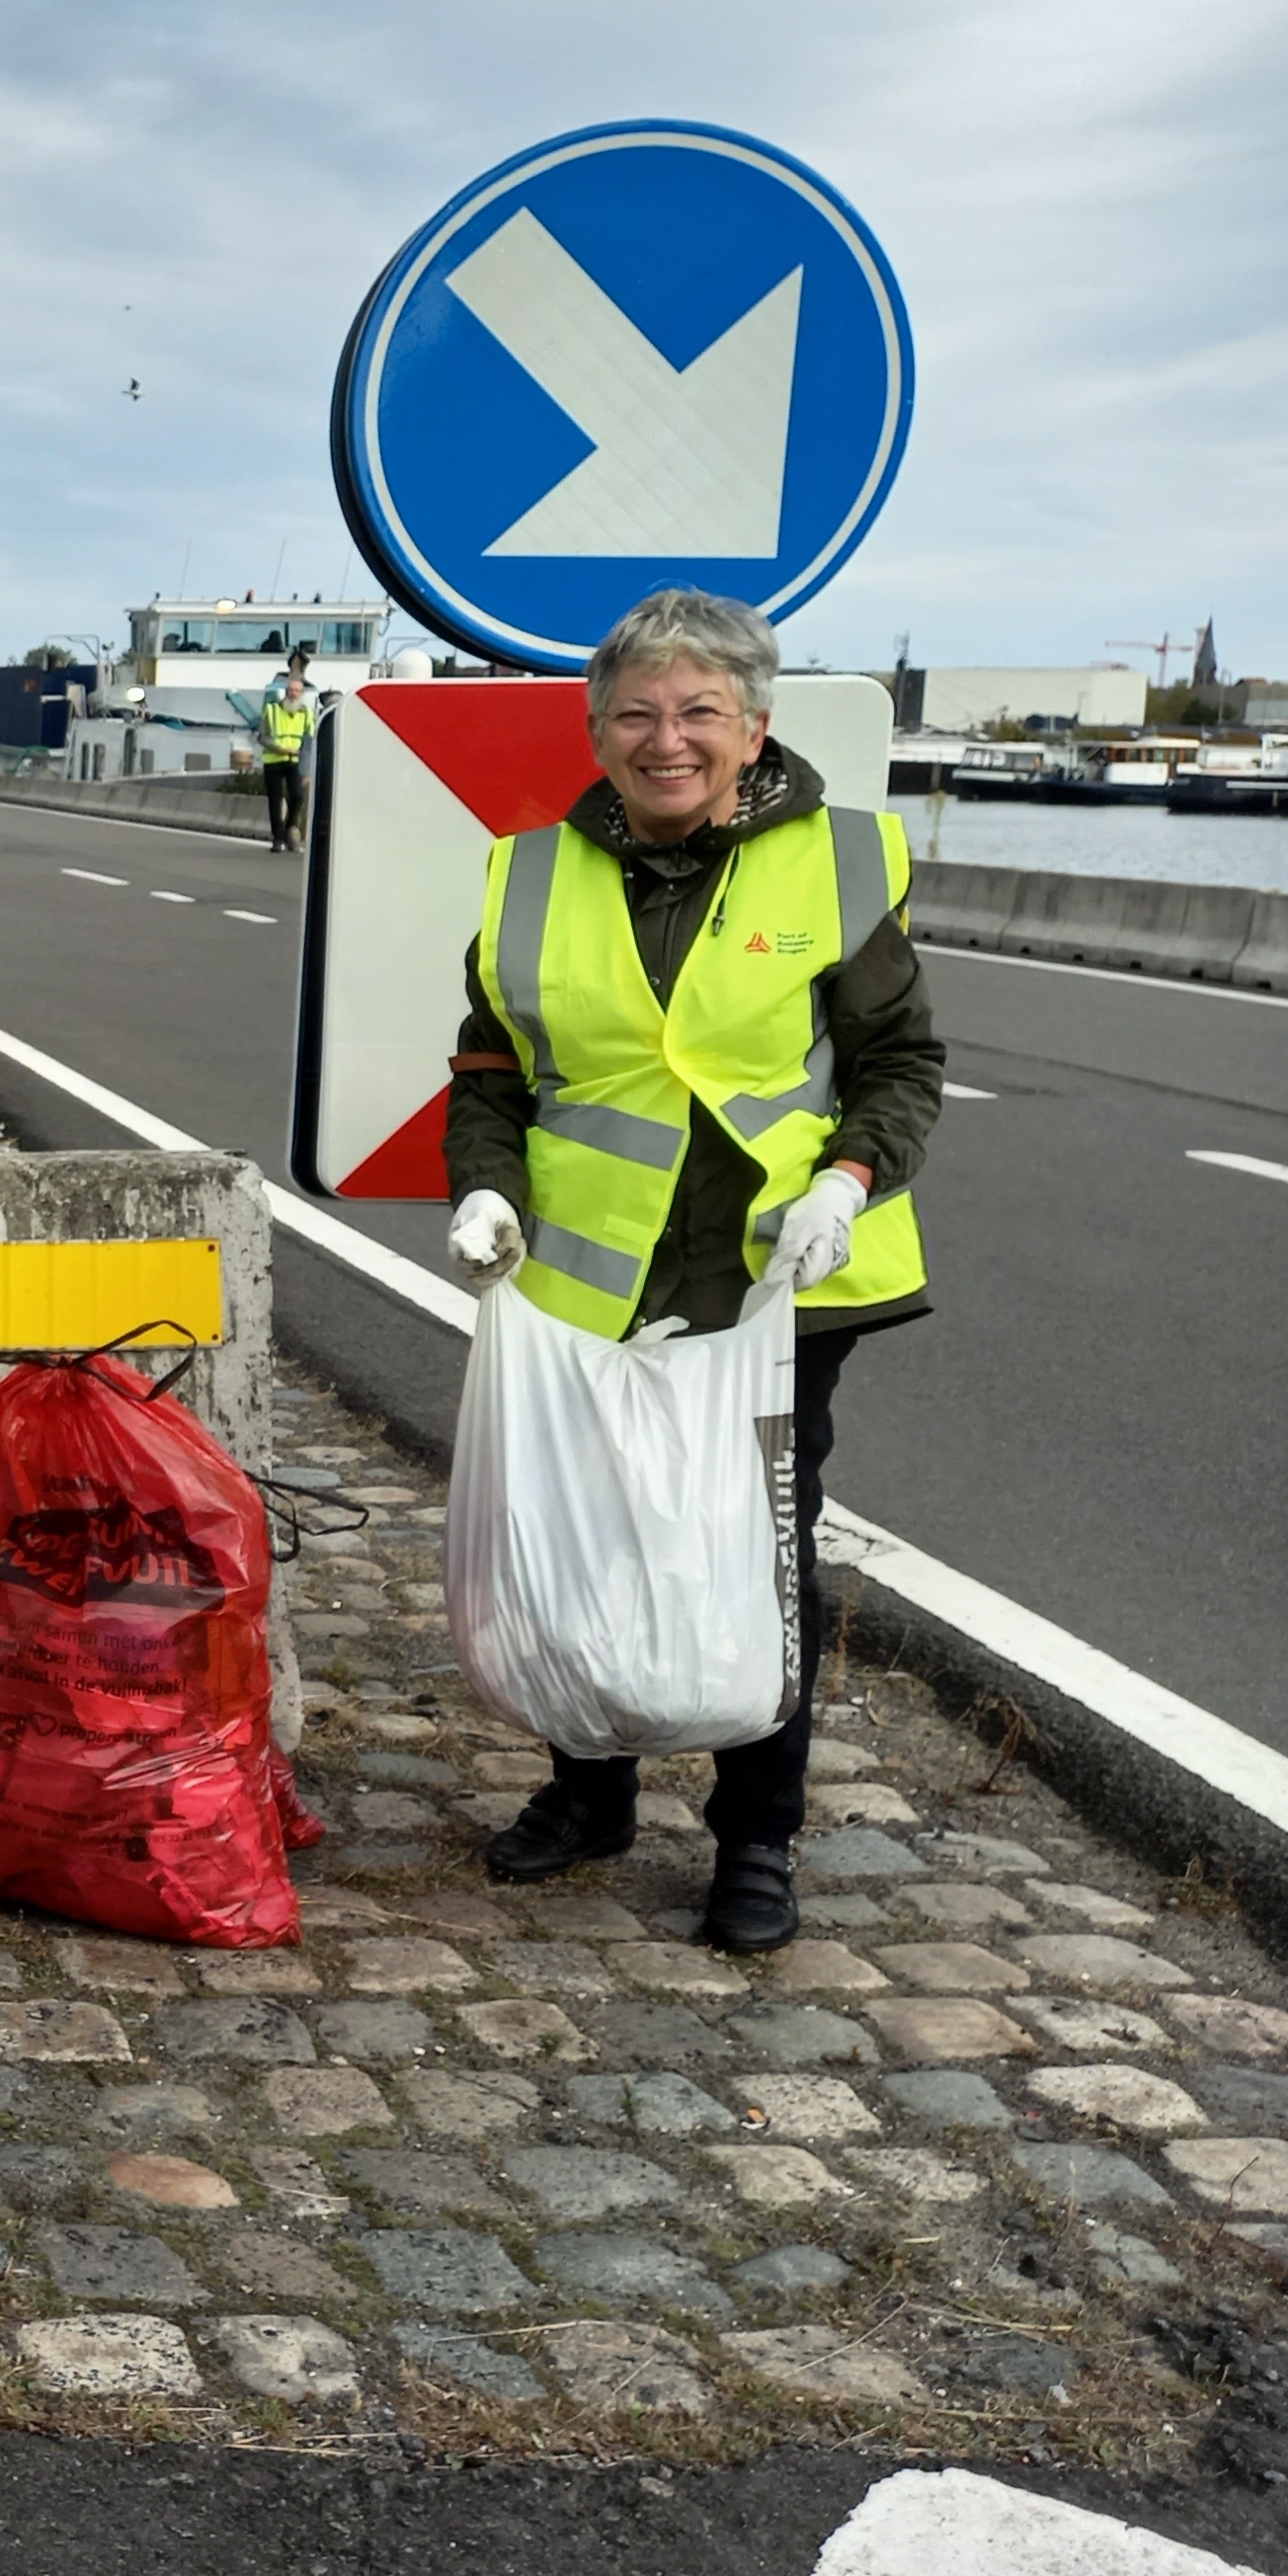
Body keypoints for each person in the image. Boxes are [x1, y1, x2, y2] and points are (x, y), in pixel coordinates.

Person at [442, 588, 942, 1952]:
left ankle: (757, 1843)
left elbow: (902, 1064)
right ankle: (588, 1790)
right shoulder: (529, 871)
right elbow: (491, 1065)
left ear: (754, 727)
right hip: (590, 1276)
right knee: (593, 1533)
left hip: (778, 1278)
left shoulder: (836, 861)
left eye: (700, 713)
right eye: (639, 716)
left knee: (760, 1558)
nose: (670, 740)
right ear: (596, 732)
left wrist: (848, 1182)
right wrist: (483, 1183)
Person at [259, 660, 316, 849]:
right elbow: (262, 737)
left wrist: (307, 771)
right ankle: (277, 839)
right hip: (273, 761)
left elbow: (308, 743)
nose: (293, 694)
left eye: (297, 691)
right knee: (275, 801)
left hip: (294, 763)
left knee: (298, 797)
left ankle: (290, 827)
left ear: (302, 694)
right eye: (291, 690)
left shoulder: (306, 714)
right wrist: (280, 749)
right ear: (286, 691)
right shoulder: (271, 710)